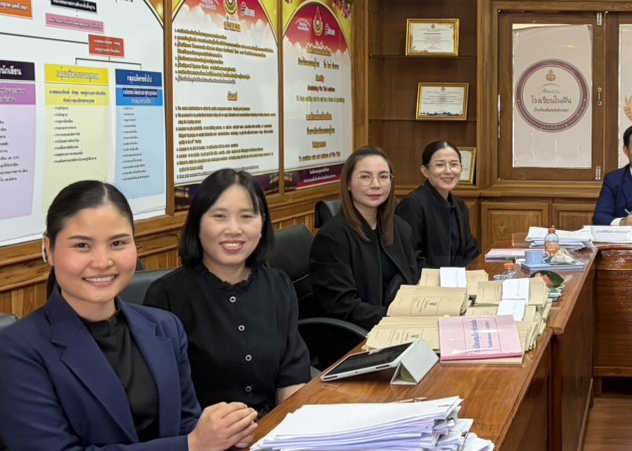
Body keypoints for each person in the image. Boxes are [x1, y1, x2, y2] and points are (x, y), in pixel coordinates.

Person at [0, 181, 257, 451]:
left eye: (117, 243)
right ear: (47, 249)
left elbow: (186, 424)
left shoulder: (162, 328)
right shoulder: (18, 351)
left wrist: (222, 433)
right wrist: (190, 447)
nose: (102, 261)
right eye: (81, 245)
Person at [144, 168, 310, 417]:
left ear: (262, 223)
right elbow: (165, 400)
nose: (234, 229)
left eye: (246, 216)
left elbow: (292, 376)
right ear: (197, 223)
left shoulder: (278, 284)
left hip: (271, 430)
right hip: (203, 441)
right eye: (219, 216)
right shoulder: (166, 296)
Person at [310, 146, 419, 328]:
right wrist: (394, 319)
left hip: (399, 324)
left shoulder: (400, 228)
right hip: (356, 335)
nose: (376, 184)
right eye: (365, 177)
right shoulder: (332, 238)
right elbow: (343, 305)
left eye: (383, 176)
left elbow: (413, 280)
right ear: (348, 183)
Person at [397, 140, 480, 269]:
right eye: (440, 165)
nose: (448, 171)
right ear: (425, 171)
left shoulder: (459, 205)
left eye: (454, 165)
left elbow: (471, 251)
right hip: (426, 284)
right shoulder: (412, 205)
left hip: (457, 282)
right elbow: (411, 257)